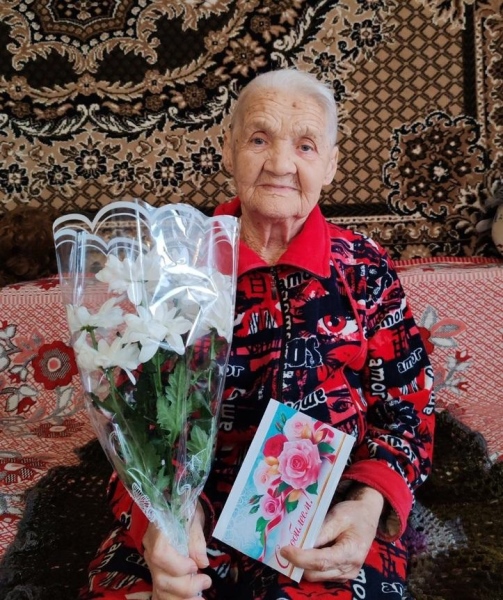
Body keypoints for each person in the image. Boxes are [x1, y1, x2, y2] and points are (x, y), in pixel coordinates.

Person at [81, 68, 435, 600]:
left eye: (306, 146)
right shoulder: (175, 266)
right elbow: (129, 426)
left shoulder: (364, 267)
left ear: (331, 164)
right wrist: (161, 522)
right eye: (259, 139)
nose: (280, 164)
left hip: (324, 509)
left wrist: (367, 506)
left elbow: (408, 408)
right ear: (229, 150)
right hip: (189, 514)